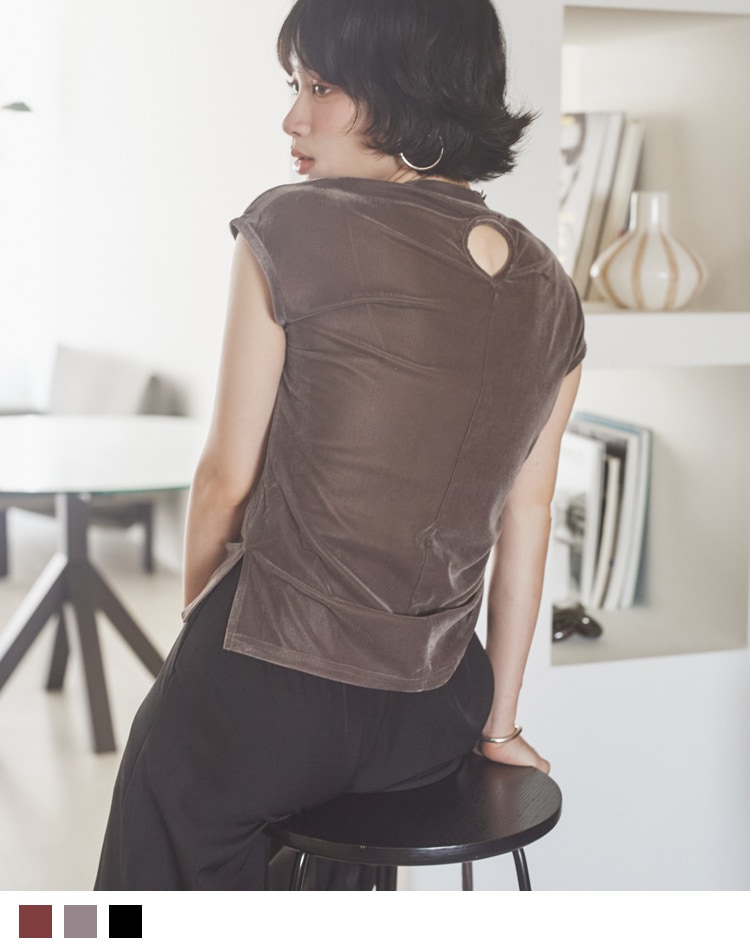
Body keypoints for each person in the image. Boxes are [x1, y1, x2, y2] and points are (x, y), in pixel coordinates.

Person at [95, 0, 584, 891]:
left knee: (142, 904)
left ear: (407, 88)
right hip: (434, 710)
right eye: (296, 86)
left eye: (320, 88)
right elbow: (529, 516)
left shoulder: (293, 226)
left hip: (267, 685)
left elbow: (224, 479)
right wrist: (499, 724)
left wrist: (196, 640)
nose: (293, 118)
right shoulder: (552, 288)